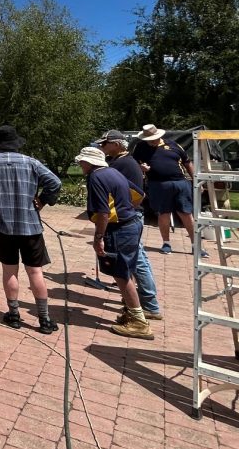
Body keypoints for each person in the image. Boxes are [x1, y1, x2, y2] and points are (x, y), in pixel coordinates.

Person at [0, 125, 61, 334]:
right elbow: (54, 182)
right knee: (35, 271)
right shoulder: (30, 162)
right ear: (17, 143)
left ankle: (14, 314)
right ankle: (44, 319)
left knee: (9, 270)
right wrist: (42, 200)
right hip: (30, 225)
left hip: (2, 225)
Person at [76, 146, 157, 340]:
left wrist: (98, 238)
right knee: (127, 270)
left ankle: (139, 321)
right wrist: (126, 209)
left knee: (121, 273)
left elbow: (103, 212)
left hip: (118, 229)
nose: (80, 165)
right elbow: (140, 195)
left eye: (81, 162)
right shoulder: (113, 172)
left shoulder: (95, 177)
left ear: (89, 162)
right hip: (132, 223)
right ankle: (133, 312)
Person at [98, 130, 163, 321]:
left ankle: (149, 304)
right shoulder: (126, 161)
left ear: (116, 144)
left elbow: (134, 194)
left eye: (105, 144)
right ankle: (142, 301)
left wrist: (123, 213)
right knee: (137, 259)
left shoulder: (121, 164)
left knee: (137, 261)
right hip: (131, 214)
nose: (102, 147)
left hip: (128, 217)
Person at [132, 124, 205, 257]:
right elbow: (133, 163)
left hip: (180, 183)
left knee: (186, 213)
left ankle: (196, 246)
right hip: (158, 185)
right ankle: (166, 243)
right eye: (149, 140)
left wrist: (196, 180)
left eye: (153, 139)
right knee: (163, 213)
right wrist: (141, 167)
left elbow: (187, 162)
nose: (151, 142)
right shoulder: (140, 147)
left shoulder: (173, 145)